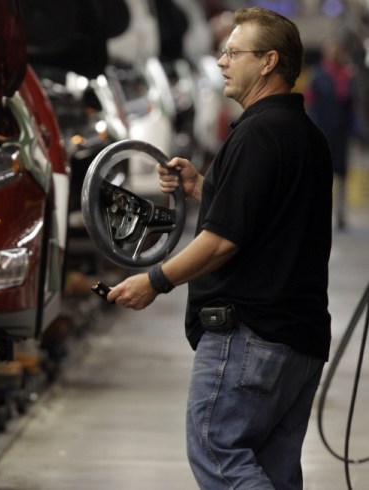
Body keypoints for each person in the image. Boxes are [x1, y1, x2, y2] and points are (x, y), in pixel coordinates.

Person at [106, 7, 333, 490]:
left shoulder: (257, 133)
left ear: (269, 61)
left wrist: (155, 280)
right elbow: (263, 217)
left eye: (234, 52)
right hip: (299, 340)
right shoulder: (305, 135)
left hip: (251, 337)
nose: (222, 60)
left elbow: (223, 241)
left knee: (219, 453)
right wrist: (201, 188)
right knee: (273, 472)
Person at [306, 35, 356, 230]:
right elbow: (311, 102)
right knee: (322, 174)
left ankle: (341, 213)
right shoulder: (318, 75)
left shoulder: (347, 74)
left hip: (341, 132)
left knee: (342, 174)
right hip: (323, 131)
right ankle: (321, 213)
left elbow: (352, 104)